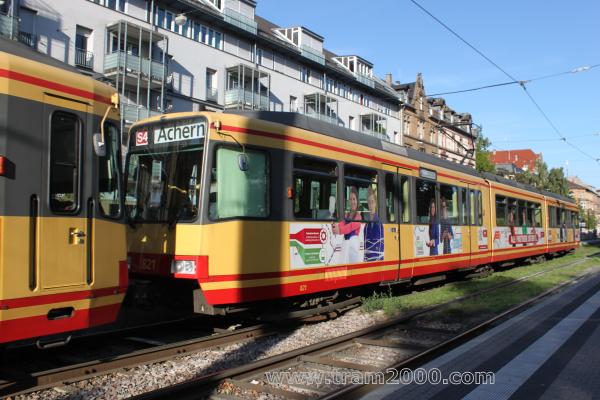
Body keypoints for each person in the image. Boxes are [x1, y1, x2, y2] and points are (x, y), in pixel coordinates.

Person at [332, 186, 362, 263]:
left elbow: (350, 227)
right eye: (350, 199)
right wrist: (336, 226)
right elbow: (342, 223)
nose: (352, 202)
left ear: (357, 201)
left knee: (352, 265)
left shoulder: (358, 217)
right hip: (346, 245)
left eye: (354, 199)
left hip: (353, 247)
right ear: (348, 201)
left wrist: (339, 230)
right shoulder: (347, 215)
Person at [363, 187, 384, 261]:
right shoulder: (366, 223)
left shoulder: (379, 222)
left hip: (376, 258)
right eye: (369, 202)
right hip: (367, 258)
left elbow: (380, 244)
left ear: (375, 203)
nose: (371, 205)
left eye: (372, 202)